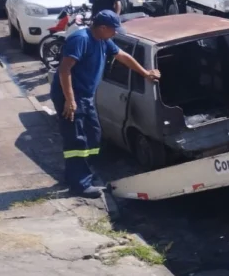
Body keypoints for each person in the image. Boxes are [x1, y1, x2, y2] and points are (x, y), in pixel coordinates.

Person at [52, 10, 160, 198]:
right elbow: (64, 70)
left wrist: (145, 73)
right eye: (113, 30)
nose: (115, 33)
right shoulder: (81, 39)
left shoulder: (103, 40)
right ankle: (79, 184)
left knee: (93, 136)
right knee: (77, 140)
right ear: (102, 28)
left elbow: (122, 56)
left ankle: (78, 174)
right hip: (70, 95)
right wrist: (70, 101)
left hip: (84, 95)